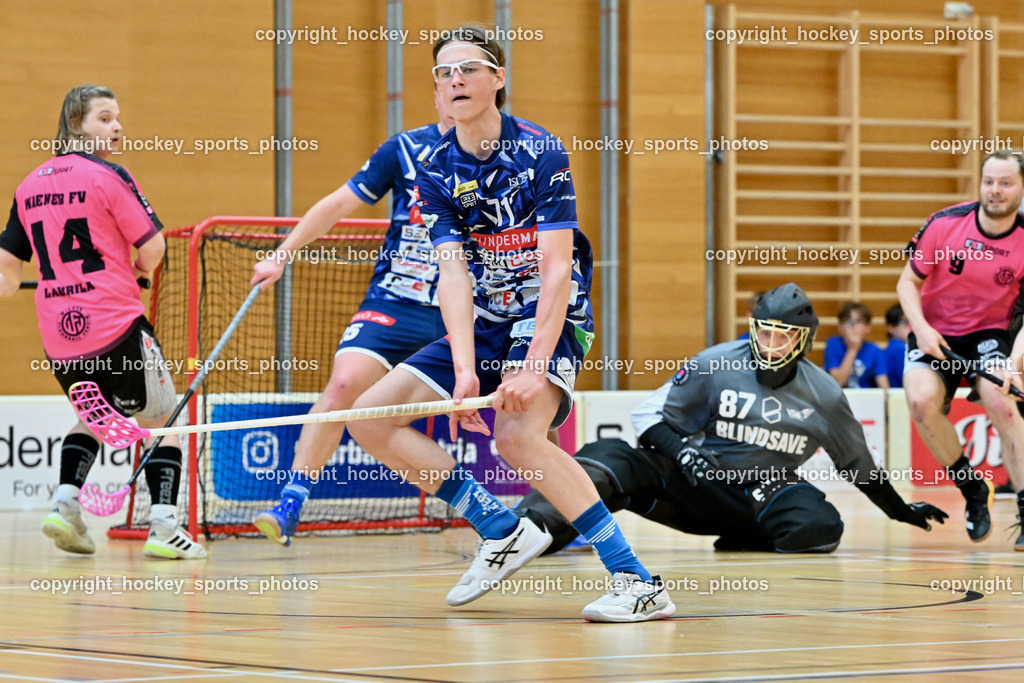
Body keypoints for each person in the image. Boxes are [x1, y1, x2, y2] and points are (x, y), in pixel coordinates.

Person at [347, 25, 674, 622]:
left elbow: (555, 271)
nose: (454, 80)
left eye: (468, 68)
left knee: (517, 438)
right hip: (489, 316)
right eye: (443, 73)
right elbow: (452, 275)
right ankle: (500, 528)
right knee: (371, 419)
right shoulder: (436, 169)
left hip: (552, 312)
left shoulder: (539, 152)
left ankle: (637, 581)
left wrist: (531, 366)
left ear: (498, 79)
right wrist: (467, 372)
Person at [510, 283, 948, 557]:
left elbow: (860, 468)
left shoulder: (826, 395)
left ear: (803, 341)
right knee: (606, 458)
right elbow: (655, 421)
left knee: (822, 528)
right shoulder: (714, 362)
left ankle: (746, 538)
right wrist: (683, 451)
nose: (768, 343)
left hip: (763, 495)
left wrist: (900, 510)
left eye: (781, 336)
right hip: (699, 478)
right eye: (763, 331)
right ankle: (526, 531)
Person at [0, 85, 205, 559]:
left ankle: (66, 505)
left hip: (61, 340)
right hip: (116, 327)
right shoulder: (109, 176)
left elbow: (8, 277)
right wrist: (138, 272)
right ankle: (164, 527)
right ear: (76, 125)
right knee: (163, 422)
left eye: (117, 119)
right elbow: (153, 249)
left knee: (94, 419)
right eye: (105, 118)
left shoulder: (28, 186)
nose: (117, 128)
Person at [249, 91, 457, 546]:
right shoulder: (403, 149)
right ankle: (291, 503)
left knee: (517, 397)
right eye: (443, 81)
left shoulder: (506, 156)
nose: (453, 91)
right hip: (395, 302)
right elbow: (336, 205)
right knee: (343, 386)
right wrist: (281, 256)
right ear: (436, 94)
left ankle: (559, 513)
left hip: (465, 310)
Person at [898, 150, 1024, 549]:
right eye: (989, 181)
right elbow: (907, 284)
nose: (995, 190)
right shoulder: (946, 224)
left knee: (1002, 403)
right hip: (933, 330)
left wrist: (1015, 363)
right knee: (920, 401)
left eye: (1006, 182)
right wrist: (921, 329)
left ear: (1021, 187)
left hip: (990, 333)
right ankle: (973, 490)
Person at [824, 302, 890, 389]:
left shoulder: (874, 350)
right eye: (847, 321)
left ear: (868, 327)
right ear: (840, 326)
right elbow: (838, 383)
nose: (852, 325)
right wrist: (852, 349)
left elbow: (884, 386)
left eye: (858, 321)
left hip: (865, 399)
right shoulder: (833, 344)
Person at [883, 303, 909, 389]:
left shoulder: (891, 348)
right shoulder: (900, 349)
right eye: (906, 323)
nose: (911, 327)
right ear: (891, 327)